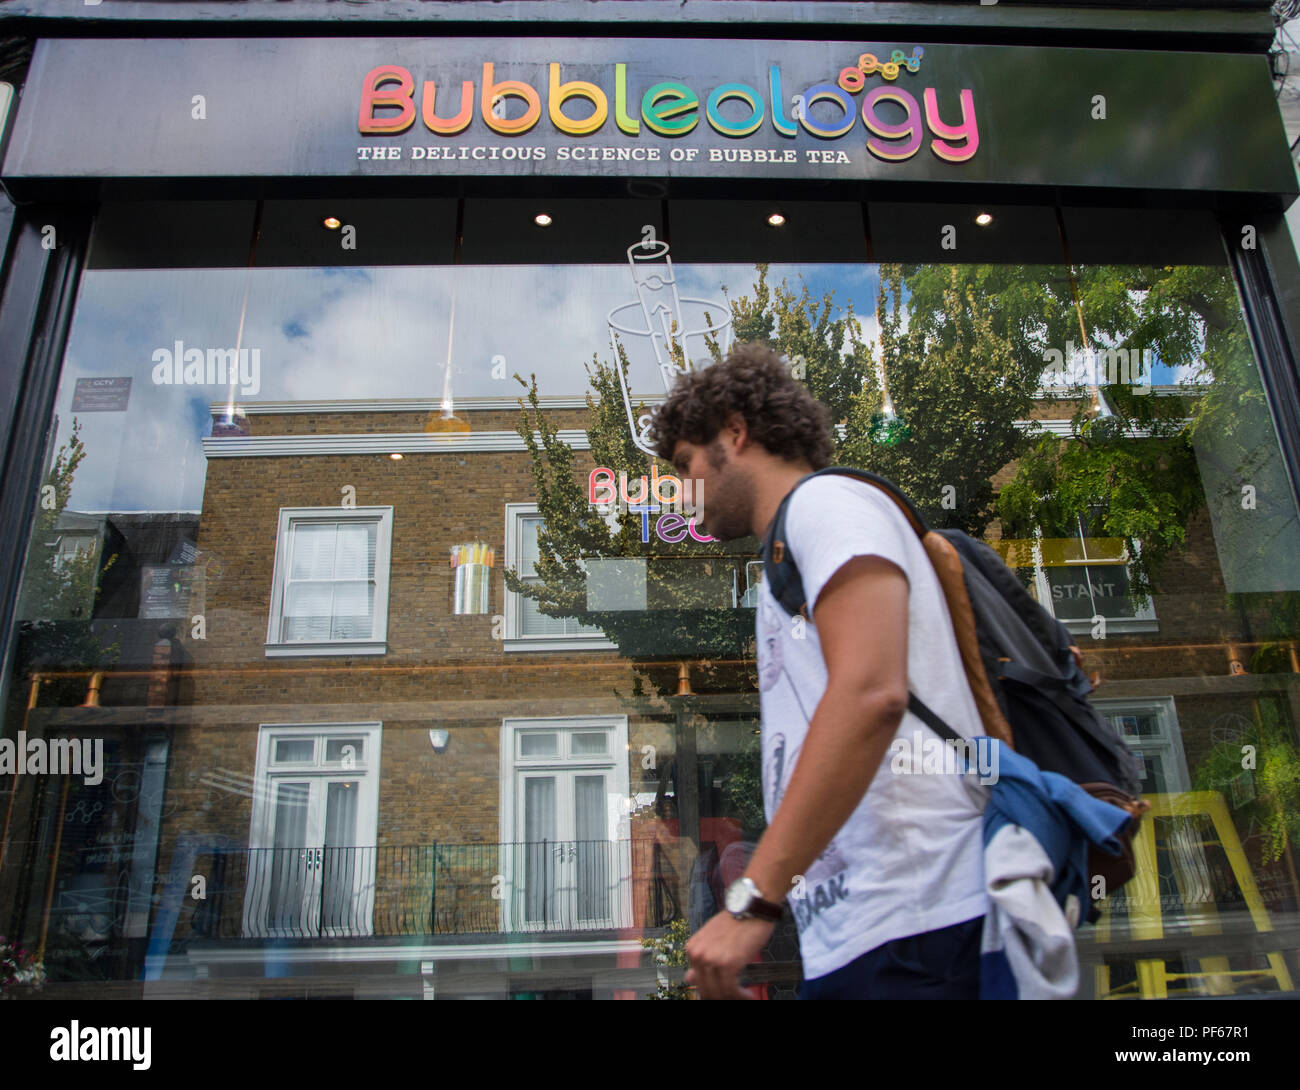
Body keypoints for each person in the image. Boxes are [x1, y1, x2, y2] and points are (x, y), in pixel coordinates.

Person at [649, 341, 988, 1000]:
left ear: (735, 433)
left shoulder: (824, 506)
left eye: (686, 465)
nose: (681, 491)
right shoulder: (791, 545)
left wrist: (752, 903)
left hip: (917, 921)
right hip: (869, 931)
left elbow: (870, 694)